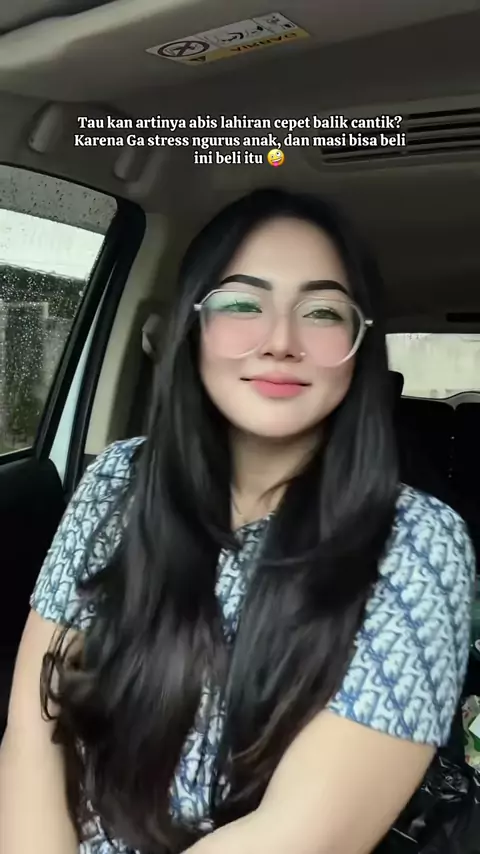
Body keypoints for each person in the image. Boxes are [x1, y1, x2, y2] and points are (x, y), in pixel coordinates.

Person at [0, 187, 475, 854]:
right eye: (243, 304)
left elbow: (297, 837)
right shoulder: (118, 481)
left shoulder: (418, 542)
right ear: (192, 328)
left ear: (360, 344)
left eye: (321, 311)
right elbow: (32, 734)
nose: (280, 341)